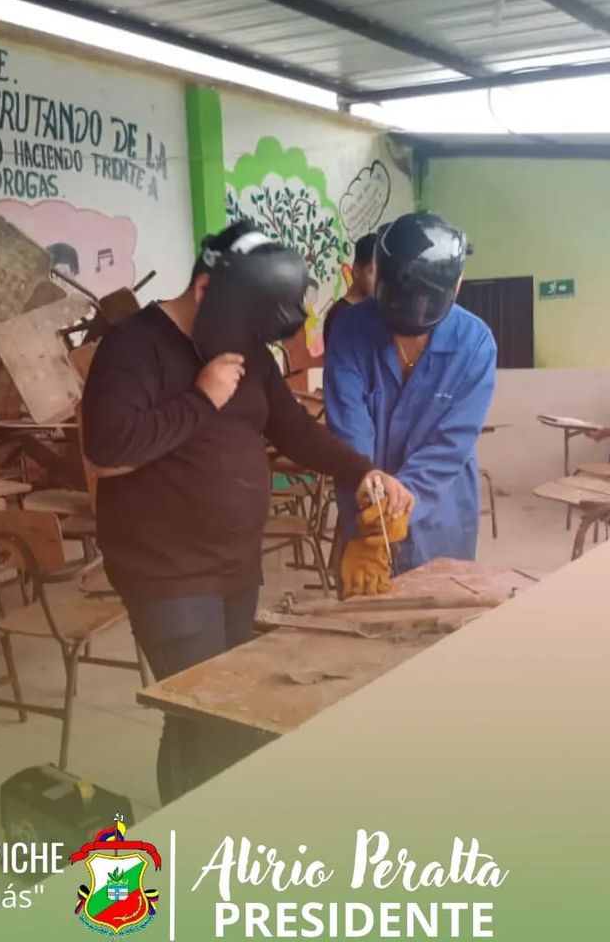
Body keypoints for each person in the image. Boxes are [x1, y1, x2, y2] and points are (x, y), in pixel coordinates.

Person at [80, 221, 413, 803]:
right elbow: (107, 452)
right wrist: (201, 398)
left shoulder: (244, 347)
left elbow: (292, 429)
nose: (253, 342)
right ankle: (197, 831)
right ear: (205, 290)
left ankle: (217, 819)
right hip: (166, 571)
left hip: (234, 565)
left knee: (228, 707)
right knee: (203, 714)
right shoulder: (132, 346)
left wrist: (363, 470)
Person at [324, 211, 497, 597]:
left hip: (439, 512)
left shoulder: (476, 343)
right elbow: (349, 424)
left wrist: (403, 501)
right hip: (365, 507)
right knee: (363, 623)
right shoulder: (351, 330)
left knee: (440, 618)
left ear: (457, 283)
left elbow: (450, 444)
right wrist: (369, 493)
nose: (414, 311)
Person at [322, 231, 377, 347]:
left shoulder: (373, 309)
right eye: (373, 272)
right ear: (356, 271)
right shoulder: (341, 315)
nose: (379, 280)